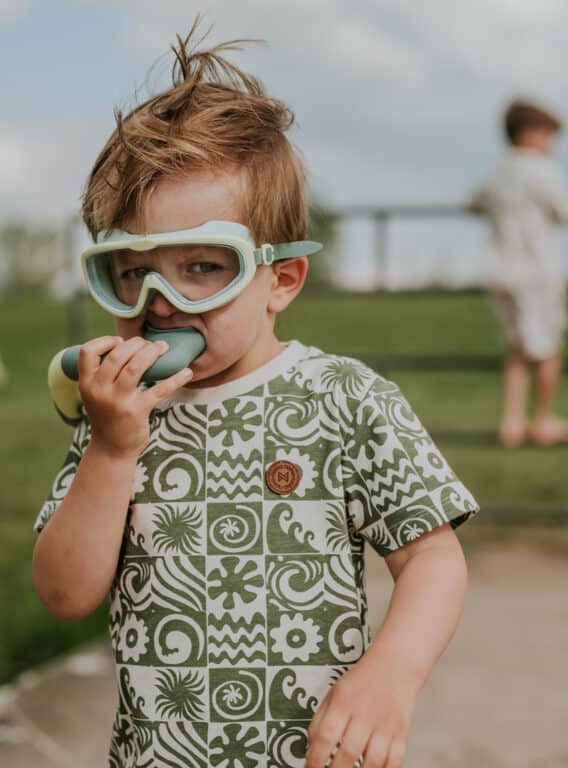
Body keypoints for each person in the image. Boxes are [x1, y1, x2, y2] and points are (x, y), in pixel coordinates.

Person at [33, 23, 478, 768]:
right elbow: (64, 594)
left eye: (204, 266)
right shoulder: (122, 413)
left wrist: (391, 675)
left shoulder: (343, 399)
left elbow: (433, 557)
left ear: (280, 280)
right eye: (132, 270)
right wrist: (111, 449)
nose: (161, 300)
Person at [470, 98, 568, 446]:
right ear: (529, 133)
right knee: (547, 348)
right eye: (547, 135)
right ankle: (542, 419)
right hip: (536, 270)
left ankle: (511, 422)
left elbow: (474, 203)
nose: (551, 144)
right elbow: (562, 211)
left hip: (500, 269)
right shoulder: (543, 170)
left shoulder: (498, 172)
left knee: (518, 347)